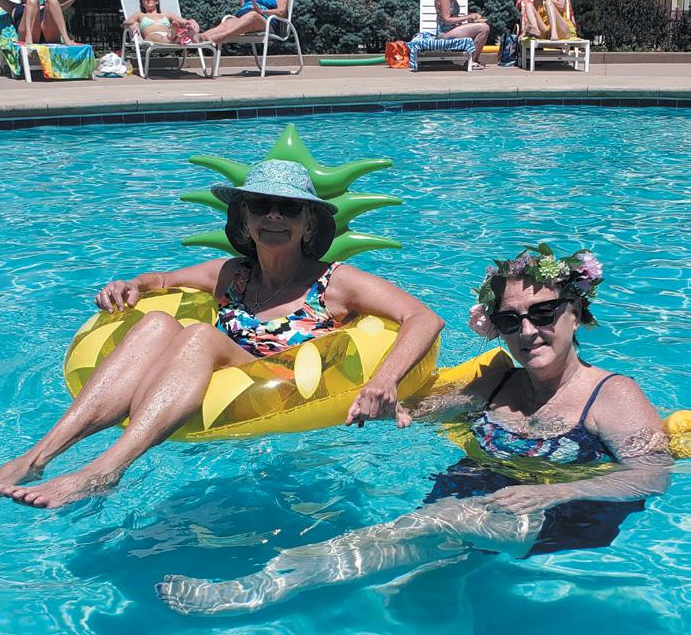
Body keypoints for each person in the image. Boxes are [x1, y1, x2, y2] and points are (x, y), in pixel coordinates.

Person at [157, 245, 672, 615]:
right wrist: (388, 407)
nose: (528, 331)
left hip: (561, 513)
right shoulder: (497, 381)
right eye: (510, 321)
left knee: (415, 530)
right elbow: (426, 410)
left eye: (544, 313)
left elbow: (652, 476)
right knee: (414, 586)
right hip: (482, 503)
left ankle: (260, 584)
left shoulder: (613, 395)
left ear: (575, 314)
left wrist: (553, 493)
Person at [0, 160, 443, 509]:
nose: (274, 216)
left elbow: (424, 318)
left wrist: (384, 379)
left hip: (286, 388)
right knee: (157, 322)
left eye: (289, 208)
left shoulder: (334, 282)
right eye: (261, 206)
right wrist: (130, 285)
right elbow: (162, 281)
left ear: (308, 223)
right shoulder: (232, 274)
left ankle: (104, 470)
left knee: (199, 336)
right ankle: (34, 458)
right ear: (245, 219)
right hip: (220, 373)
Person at [198, 0, 287, 46]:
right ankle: (202, 37)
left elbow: (281, 11)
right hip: (245, 17)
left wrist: (262, 11)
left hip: (266, 22)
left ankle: (222, 37)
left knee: (253, 15)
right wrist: (245, 7)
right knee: (228, 22)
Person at [0, 0, 77, 46]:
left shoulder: (48, 7)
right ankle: (29, 37)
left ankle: (66, 39)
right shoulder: (14, 7)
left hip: (48, 35)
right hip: (26, 36)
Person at [435, 0, 491, 70]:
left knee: (484, 27)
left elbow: (453, 17)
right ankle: (471, 60)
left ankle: (475, 59)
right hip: (445, 32)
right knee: (484, 28)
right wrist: (468, 17)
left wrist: (467, 21)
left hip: (451, 29)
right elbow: (446, 19)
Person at [122, 0, 201, 45]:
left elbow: (186, 22)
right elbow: (124, 24)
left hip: (167, 35)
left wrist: (192, 21)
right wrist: (135, 23)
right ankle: (178, 37)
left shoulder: (166, 14)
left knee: (174, 30)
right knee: (154, 36)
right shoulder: (139, 14)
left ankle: (174, 36)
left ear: (156, 1)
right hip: (151, 39)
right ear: (142, 3)